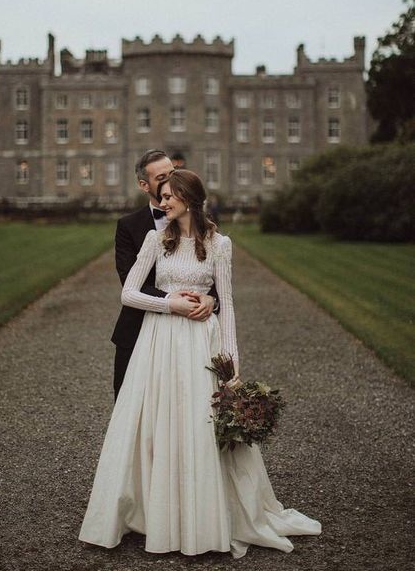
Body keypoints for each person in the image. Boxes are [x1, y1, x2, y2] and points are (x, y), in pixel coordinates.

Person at [79, 169, 321, 559]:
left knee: (199, 424)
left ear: (188, 197)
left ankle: (201, 520)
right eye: (160, 195)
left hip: (199, 344)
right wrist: (169, 304)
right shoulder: (155, 239)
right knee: (157, 424)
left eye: (169, 195)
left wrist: (233, 367)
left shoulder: (220, 244)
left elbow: (227, 306)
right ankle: (153, 515)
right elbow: (128, 293)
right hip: (158, 342)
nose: (162, 202)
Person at [111, 148, 219, 399]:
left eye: (173, 173)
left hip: (192, 334)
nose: (170, 182)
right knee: (132, 406)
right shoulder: (129, 226)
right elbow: (130, 284)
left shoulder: (204, 226)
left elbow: (212, 279)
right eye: (161, 179)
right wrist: (174, 302)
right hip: (139, 328)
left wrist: (211, 300)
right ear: (143, 185)